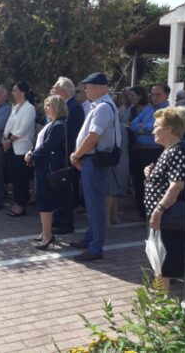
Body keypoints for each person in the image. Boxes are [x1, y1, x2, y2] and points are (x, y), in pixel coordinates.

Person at [70, 72, 121, 261]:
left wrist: (76, 154)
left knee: (95, 205)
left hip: (94, 160)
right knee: (93, 203)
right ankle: (90, 238)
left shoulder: (103, 108)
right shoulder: (100, 106)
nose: (85, 90)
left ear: (99, 88)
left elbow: (93, 138)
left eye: (88, 87)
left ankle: (95, 247)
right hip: (92, 159)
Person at [144, 107, 185, 290]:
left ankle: (160, 302)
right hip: (165, 215)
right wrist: (150, 173)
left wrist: (159, 211)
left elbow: (176, 186)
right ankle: (159, 300)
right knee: (160, 261)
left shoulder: (177, 151)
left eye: (156, 126)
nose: (152, 131)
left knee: (163, 262)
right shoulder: (170, 150)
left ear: (169, 129)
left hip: (170, 216)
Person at [25, 95, 68, 249]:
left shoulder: (59, 125)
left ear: (57, 107)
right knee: (43, 200)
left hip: (48, 168)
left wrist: (32, 155)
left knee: (45, 201)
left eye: (48, 105)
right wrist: (31, 151)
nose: (45, 108)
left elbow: (48, 145)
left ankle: (48, 236)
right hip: (42, 166)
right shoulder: (51, 123)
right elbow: (39, 144)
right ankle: (45, 232)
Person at [129, 84, 170, 218]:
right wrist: (145, 128)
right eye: (152, 95)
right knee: (138, 183)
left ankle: (155, 213)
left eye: (158, 95)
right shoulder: (147, 109)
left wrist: (143, 128)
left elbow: (155, 127)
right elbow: (132, 124)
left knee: (155, 183)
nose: (154, 97)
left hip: (156, 151)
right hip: (140, 151)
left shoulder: (169, 111)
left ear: (166, 95)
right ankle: (142, 212)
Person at [51, 77, 85, 234]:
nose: (53, 90)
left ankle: (66, 223)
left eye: (55, 88)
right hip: (59, 154)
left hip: (67, 155)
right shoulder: (64, 105)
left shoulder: (75, 107)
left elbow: (71, 134)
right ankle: (58, 219)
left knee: (66, 190)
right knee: (58, 190)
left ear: (63, 90)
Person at [3, 82, 36, 217]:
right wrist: (4, 138)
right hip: (11, 146)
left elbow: (23, 129)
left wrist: (10, 140)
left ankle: (21, 204)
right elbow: (8, 125)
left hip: (22, 148)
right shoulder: (15, 107)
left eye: (15, 90)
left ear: (23, 92)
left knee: (21, 177)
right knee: (14, 177)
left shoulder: (30, 108)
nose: (13, 93)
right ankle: (16, 201)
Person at [106, 92, 130, 226]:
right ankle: (114, 216)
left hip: (114, 159)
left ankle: (107, 219)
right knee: (116, 191)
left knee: (110, 191)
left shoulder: (113, 126)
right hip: (123, 159)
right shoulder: (123, 127)